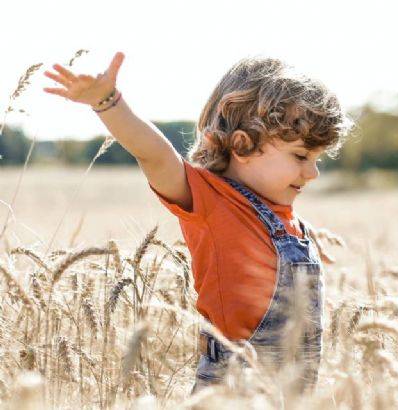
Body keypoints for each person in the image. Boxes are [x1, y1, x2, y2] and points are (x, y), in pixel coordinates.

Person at [43, 52, 353, 393]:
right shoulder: (213, 202)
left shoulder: (289, 222)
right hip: (231, 389)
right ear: (242, 145)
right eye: (301, 156)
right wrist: (108, 102)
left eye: (317, 158)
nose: (313, 172)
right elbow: (156, 156)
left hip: (291, 393)